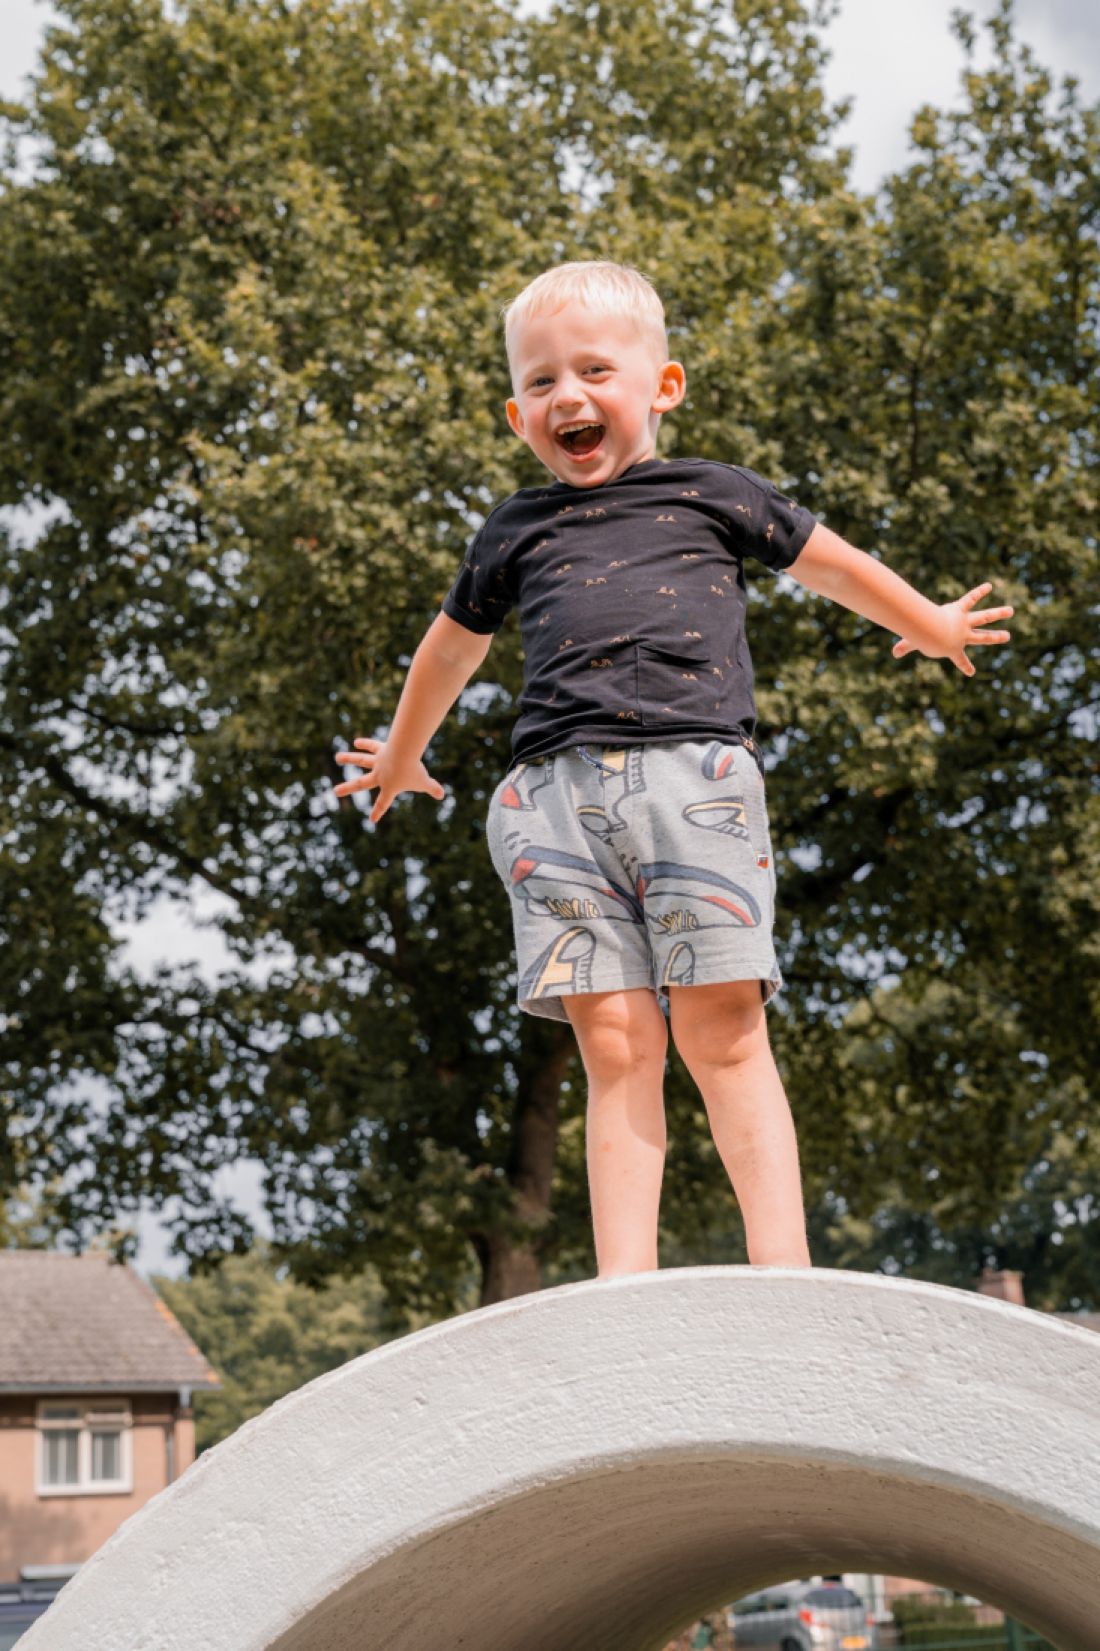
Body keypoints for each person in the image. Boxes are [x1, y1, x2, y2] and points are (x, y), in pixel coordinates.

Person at [333, 260, 1012, 1278]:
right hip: (551, 802)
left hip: (693, 785)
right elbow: (451, 648)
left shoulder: (713, 494)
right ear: (514, 409)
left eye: (594, 370)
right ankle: (625, 1283)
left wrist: (927, 620)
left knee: (722, 1031)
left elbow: (829, 563)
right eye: (539, 381)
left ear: (663, 386)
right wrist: (402, 747)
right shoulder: (514, 529)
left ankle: (779, 1268)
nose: (566, 396)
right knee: (613, 1047)